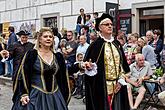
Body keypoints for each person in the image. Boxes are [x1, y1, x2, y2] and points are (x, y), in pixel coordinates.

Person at [11, 27, 70, 110]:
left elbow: (64, 73)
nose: (48, 39)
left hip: (55, 96)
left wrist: (80, 66)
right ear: (40, 39)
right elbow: (23, 75)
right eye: (45, 37)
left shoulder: (58, 56)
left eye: (50, 37)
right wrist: (24, 93)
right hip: (35, 95)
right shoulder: (32, 55)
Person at [84, 13, 130, 110]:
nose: (110, 26)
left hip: (118, 85)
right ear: (100, 28)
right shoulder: (95, 45)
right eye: (107, 24)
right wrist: (89, 67)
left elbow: (123, 65)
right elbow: (88, 68)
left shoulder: (117, 44)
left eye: (111, 24)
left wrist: (121, 80)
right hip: (101, 87)